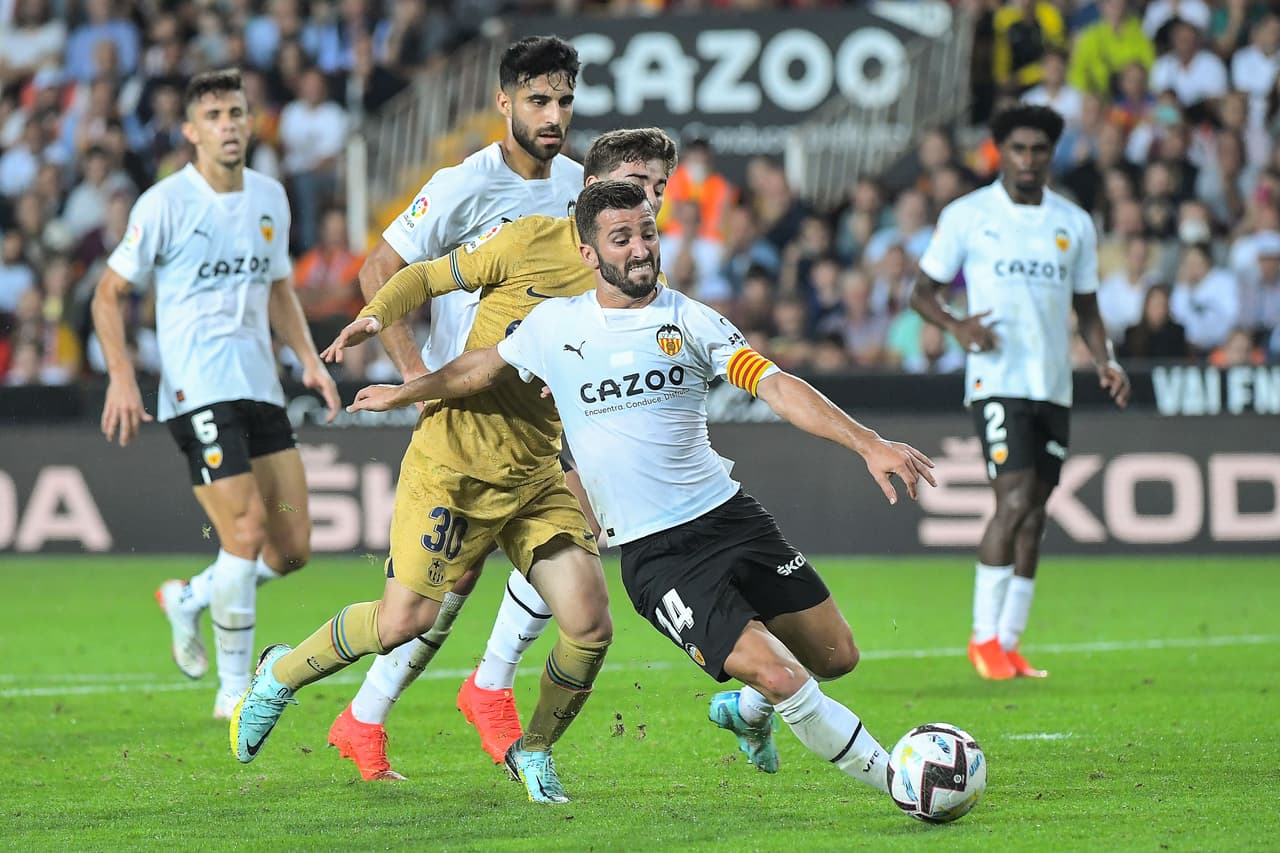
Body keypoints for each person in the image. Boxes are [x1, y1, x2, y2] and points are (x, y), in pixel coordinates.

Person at [337, 179, 937, 802]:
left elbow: (778, 385)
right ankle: (902, 781)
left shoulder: (690, 319)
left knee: (837, 657)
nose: (640, 248)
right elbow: (476, 367)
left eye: (647, 232)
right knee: (784, 675)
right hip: (660, 557)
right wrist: (406, 390)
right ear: (589, 253)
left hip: (733, 519)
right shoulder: (555, 326)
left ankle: (747, 712)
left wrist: (869, 442)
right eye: (621, 238)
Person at [231, 137, 678, 805]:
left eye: (660, 188)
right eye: (636, 182)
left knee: (589, 622)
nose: (649, 199)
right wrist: (376, 318)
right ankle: (281, 674)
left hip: (532, 473)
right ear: (591, 187)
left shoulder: (646, 288)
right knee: (401, 620)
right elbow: (423, 276)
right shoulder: (526, 239)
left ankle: (534, 747)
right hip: (455, 463)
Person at [329, 35, 585, 782]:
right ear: (503, 102)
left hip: (540, 407)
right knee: (449, 585)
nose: (553, 113)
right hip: (464, 407)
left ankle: (374, 716)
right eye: (538, 99)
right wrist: (417, 374)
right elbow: (380, 269)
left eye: (564, 99)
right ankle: (475, 687)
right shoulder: (464, 183)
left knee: (499, 564)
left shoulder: (577, 185)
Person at [91, 68, 340, 718]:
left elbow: (279, 287)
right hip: (196, 388)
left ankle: (190, 597)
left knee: (290, 550)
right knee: (247, 530)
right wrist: (122, 375)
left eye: (237, 112)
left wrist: (308, 359)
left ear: (251, 121)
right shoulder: (165, 204)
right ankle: (233, 692)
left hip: (259, 385)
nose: (229, 124)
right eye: (215, 116)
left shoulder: (270, 197)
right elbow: (108, 294)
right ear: (191, 131)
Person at [909, 105, 1130, 681]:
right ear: (999, 151)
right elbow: (921, 293)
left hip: (1053, 385)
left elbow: (1088, 307)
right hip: (997, 381)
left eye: (1038, 150)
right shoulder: (969, 215)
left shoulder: (1074, 223)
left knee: (1035, 511)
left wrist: (1105, 360)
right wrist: (957, 326)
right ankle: (983, 640)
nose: (1028, 159)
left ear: (1050, 155)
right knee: (1012, 500)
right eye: (1018, 149)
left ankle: (1008, 643)